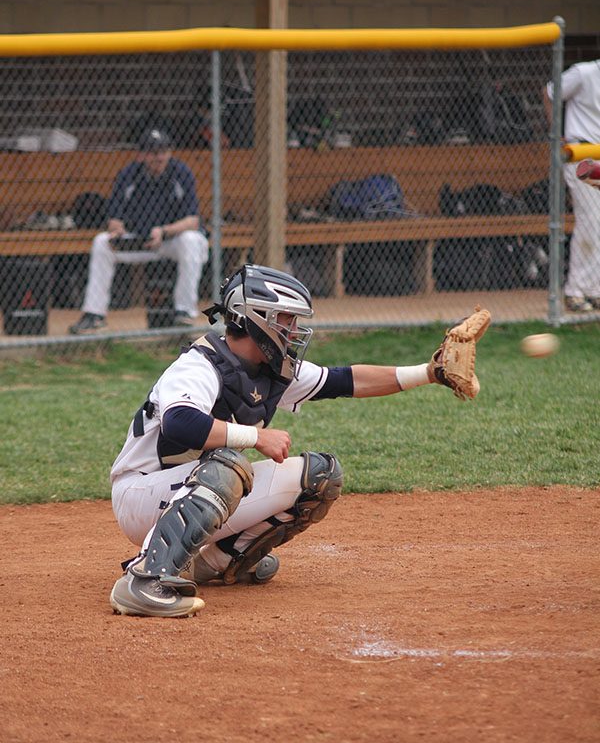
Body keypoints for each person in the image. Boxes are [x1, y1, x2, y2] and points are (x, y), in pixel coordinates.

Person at [108, 263, 477, 619]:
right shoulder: (199, 365)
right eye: (287, 319)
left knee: (318, 477)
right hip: (139, 494)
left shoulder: (270, 370)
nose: (295, 329)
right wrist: (255, 437)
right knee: (229, 467)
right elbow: (180, 424)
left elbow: (346, 381)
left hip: (186, 489)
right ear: (256, 318)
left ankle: (212, 564)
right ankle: (144, 580)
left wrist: (430, 372)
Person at [69, 128, 209, 334]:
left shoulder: (181, 172)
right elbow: (115, 218)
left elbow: (193, 220)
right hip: (139, 241)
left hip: (172, 241)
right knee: (101, 242)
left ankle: (184, 312)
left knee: (191, 240)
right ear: (141, 155)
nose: (158, 157)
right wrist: (116, 230)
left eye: (163, 151)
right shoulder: (128, 174)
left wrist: (164, 231)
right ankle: (94, 314)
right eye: (153, 152)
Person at [544, 59, 600, 313]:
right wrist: (556, 133)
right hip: (581, 155)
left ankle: (593, 289)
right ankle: (576, 291)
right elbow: (549, 92)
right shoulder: (585, 72)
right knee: (591, 221)